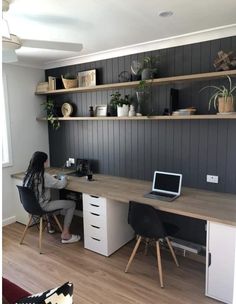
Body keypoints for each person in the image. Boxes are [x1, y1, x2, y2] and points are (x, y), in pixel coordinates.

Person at [23, 151, 80, 244]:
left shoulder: (28, 174)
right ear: (43, 162)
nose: (47, 162)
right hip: (42, 206)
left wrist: (51, 178)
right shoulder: (43, 176)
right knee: (72, 204)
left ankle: (50, 226)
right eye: (46, 161)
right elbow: (61, 185)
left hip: (30, 206)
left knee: (49, 197)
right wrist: (64, 178)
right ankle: (65, 234)